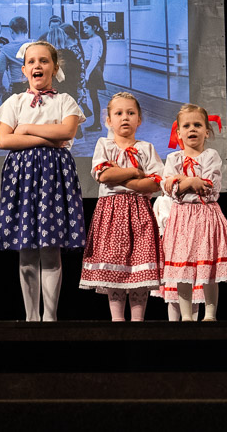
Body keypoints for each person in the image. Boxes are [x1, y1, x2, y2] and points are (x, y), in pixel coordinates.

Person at [0, 41, 86, 321]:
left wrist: (27, 129)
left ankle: (50, 316)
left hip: (54, 178)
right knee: (26, 249)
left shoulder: (65, 101)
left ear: (55, 68)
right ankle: (31, 316)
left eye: (44, 61)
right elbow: (3, 140)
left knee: (50, 247)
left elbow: (67, 132)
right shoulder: (14, 102)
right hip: (22, 177)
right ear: (24, 70)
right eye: (32, 61)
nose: (37, 66)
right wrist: (50, 136)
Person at [81, 92, 165, 321]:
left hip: (140, 213)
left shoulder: (146, 148)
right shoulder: (104, 144)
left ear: (139, 119)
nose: (124, 117)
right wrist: (136, 173)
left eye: (130, 113)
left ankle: (138, 323)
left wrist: (126, 180)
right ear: (108, 120)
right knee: (115, 268)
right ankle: (117, 322)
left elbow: (156, 181)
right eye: (118, 113)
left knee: (140, 267)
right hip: (112, 212)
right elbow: (103, 174)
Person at [160, 105, 227, 321]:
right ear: (178, 133)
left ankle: (209, 313)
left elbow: (209, 187)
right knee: (182, 268)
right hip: (181, 218)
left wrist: (181, 181)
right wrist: (190, 181)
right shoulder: (173, 159)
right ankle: (186, 315)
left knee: (209, 268)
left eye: (198, 125)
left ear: (207, 131)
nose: (192, 129)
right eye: (186, 126)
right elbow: (170, 190)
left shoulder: (211, 155)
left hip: (206, 216)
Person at [80, 16, 108, 132]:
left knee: (94, 97)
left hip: (92, 70)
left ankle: (97, 123)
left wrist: (86, 74)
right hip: (91, 69)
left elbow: (95, 58)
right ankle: (96, 123)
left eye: (87, 27)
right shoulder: (94, 39)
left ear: (94, 27)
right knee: (93, 97)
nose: (85, 30)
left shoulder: (96, 39)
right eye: (84, 28)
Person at [0, 17, 31, 97]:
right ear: (27, 30)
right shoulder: (35, 44)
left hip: (17, 85)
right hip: (33, 83)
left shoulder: (6, 48)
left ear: (11, 31)